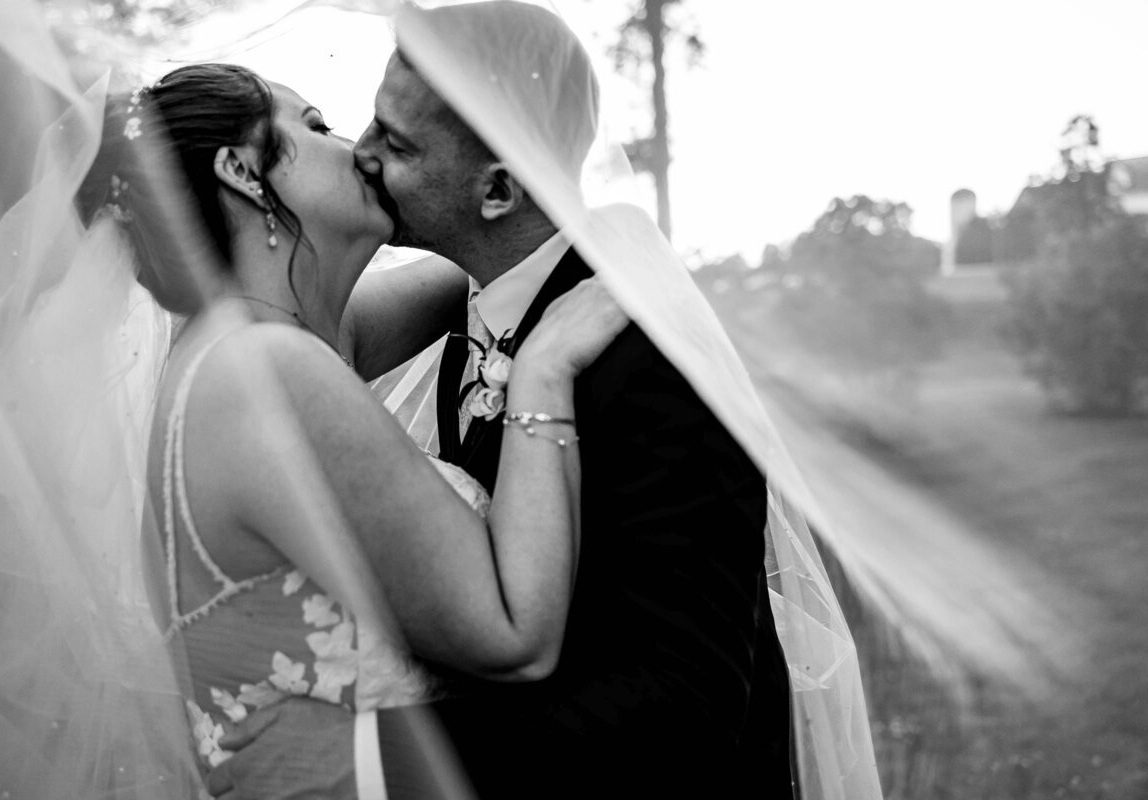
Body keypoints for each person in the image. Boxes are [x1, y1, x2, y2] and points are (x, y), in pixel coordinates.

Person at [210, 3, 795, 798]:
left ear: (498, 190)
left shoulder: (649, 358)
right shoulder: (473, 319)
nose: (363, 155)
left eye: (399, 142)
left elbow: (685, 709)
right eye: (368, 124)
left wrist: (363, 759)